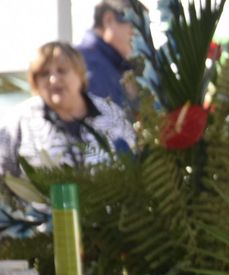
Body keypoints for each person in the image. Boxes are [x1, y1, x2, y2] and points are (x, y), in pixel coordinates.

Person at [0, 42, 134, 179]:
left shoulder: (111, 114)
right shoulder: (17, 122)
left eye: (62, 70)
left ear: (80, 74)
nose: (53, 79)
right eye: (44, 74)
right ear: (35, 82)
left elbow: (135, 167)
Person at [77, 0, 138, 113]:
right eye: (136, 27)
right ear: (109, 20)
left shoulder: (115, 63)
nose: (139, 36)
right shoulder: (87, 62)